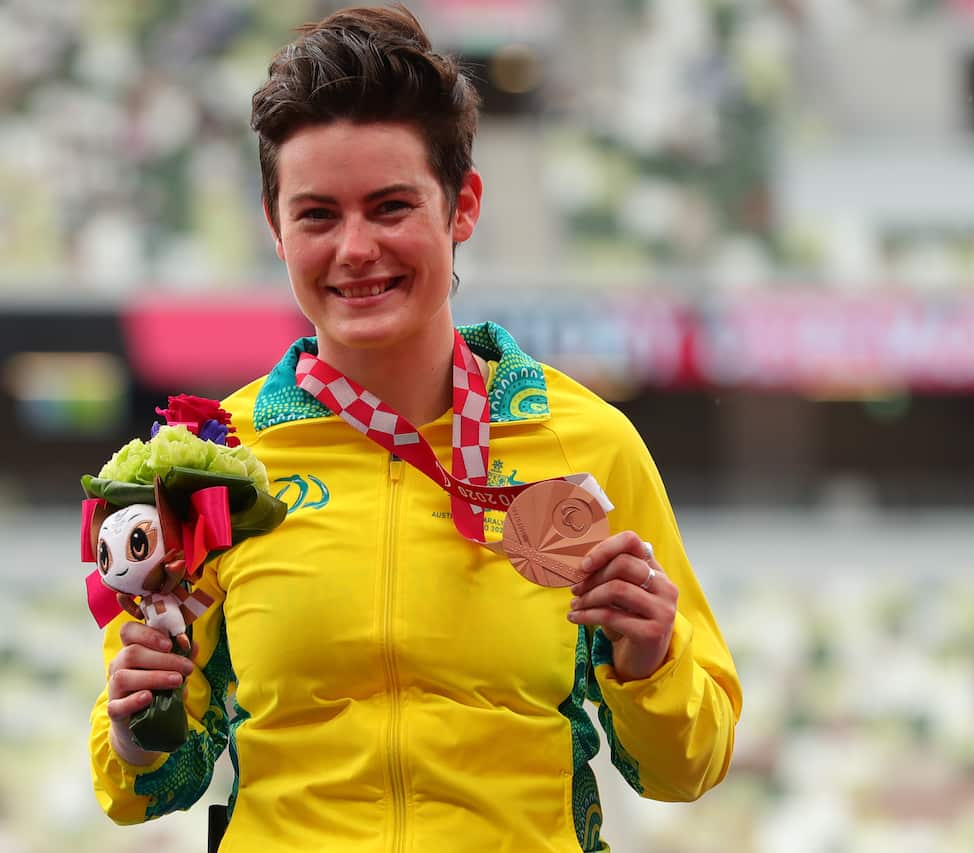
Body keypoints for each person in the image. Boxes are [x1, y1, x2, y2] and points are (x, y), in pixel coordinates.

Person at [90, 6, 742, 851]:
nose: (356, 248)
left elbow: (685, 767)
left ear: (462, 205)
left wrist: (651, 662)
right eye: (317, 215)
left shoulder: (588, 442)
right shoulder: (219, 463)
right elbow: (142, 787)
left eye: (390, 206)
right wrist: (141, 727)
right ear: (274, 227)